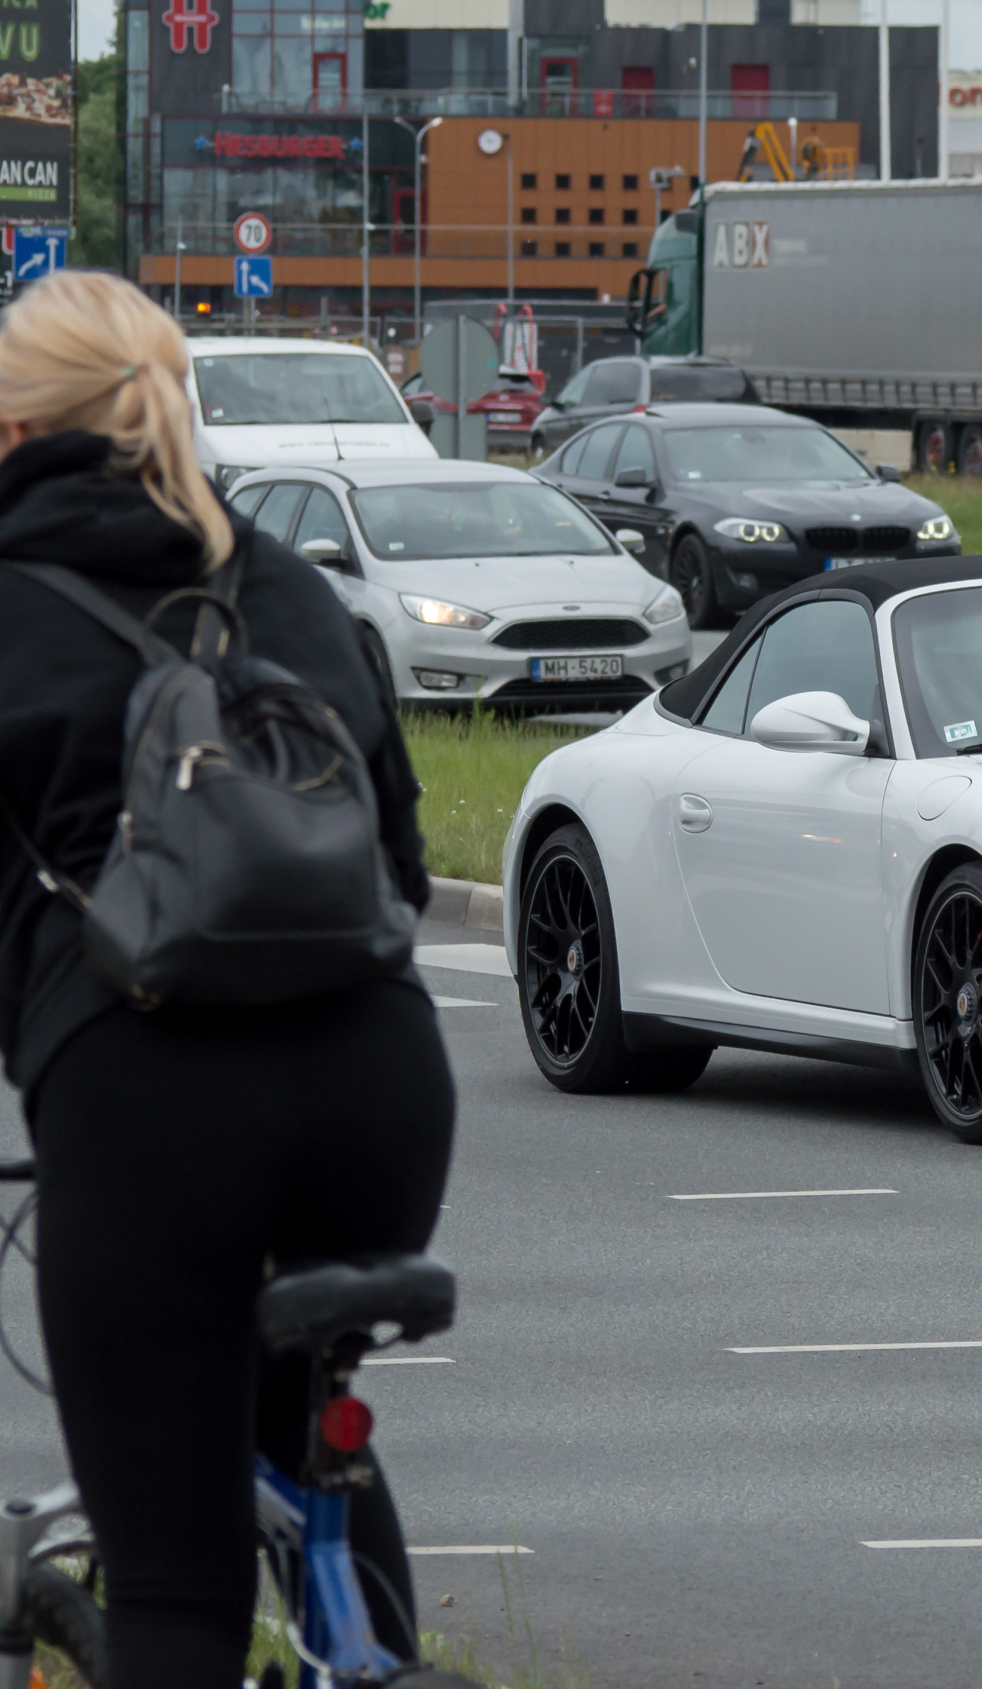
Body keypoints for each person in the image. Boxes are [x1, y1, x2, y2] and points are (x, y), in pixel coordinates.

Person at [0, 272, 454, 1689]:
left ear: (13, 426)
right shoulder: (291, 582)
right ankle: (367, 1646)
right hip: (382, 1093)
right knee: (288, 1419)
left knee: (176, 1593)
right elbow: (402, 865)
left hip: (148, 1106)